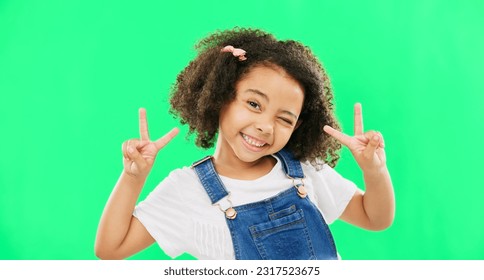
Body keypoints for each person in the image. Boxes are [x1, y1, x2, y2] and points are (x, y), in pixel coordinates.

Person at [94, 27, 395, 260]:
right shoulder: (187, 191)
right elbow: (110, 248)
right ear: (221, 95)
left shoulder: (305, 172)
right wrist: (133, 177)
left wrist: (374, 171)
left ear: (297, 127)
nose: (265, 126)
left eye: (285, 119)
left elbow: (375, 217)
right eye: (253, 103)